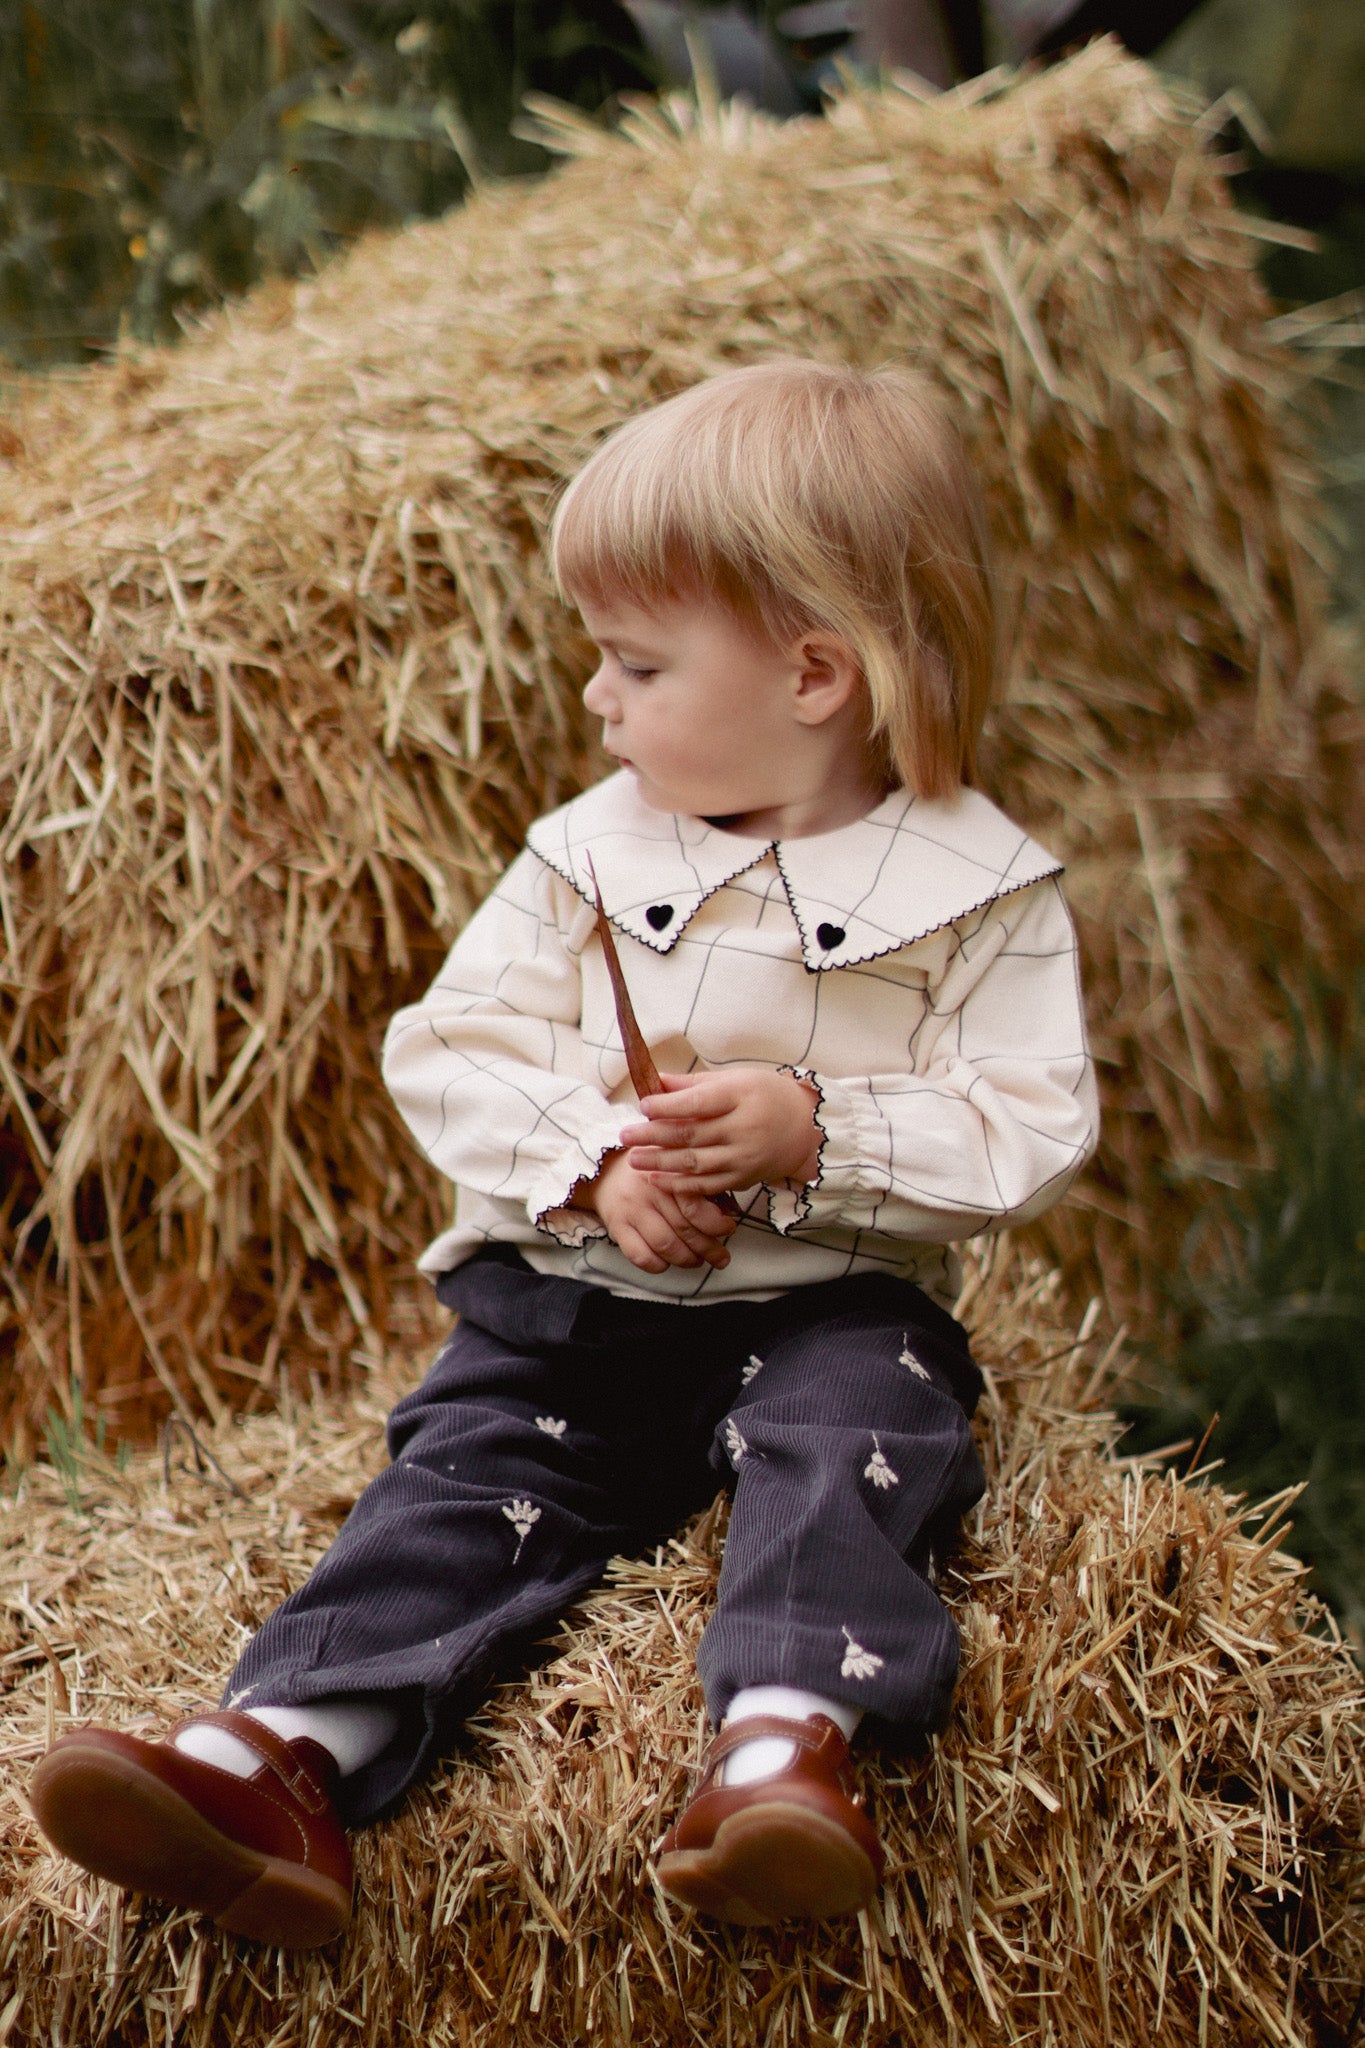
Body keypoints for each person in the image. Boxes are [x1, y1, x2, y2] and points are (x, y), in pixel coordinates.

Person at [31, 360, 1099, 1946]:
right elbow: (453, 1046)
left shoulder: (980, 894)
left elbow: (1030, 1121)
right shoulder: (583, 856)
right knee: (461, 1486)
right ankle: (281, 1758)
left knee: (852, 1446)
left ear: (814, 675)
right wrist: (595, 1162)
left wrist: (816, 1129)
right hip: (575, 1312)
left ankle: (780, 1752)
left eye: (635, 662)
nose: (596, 697)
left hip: (826, 1308)